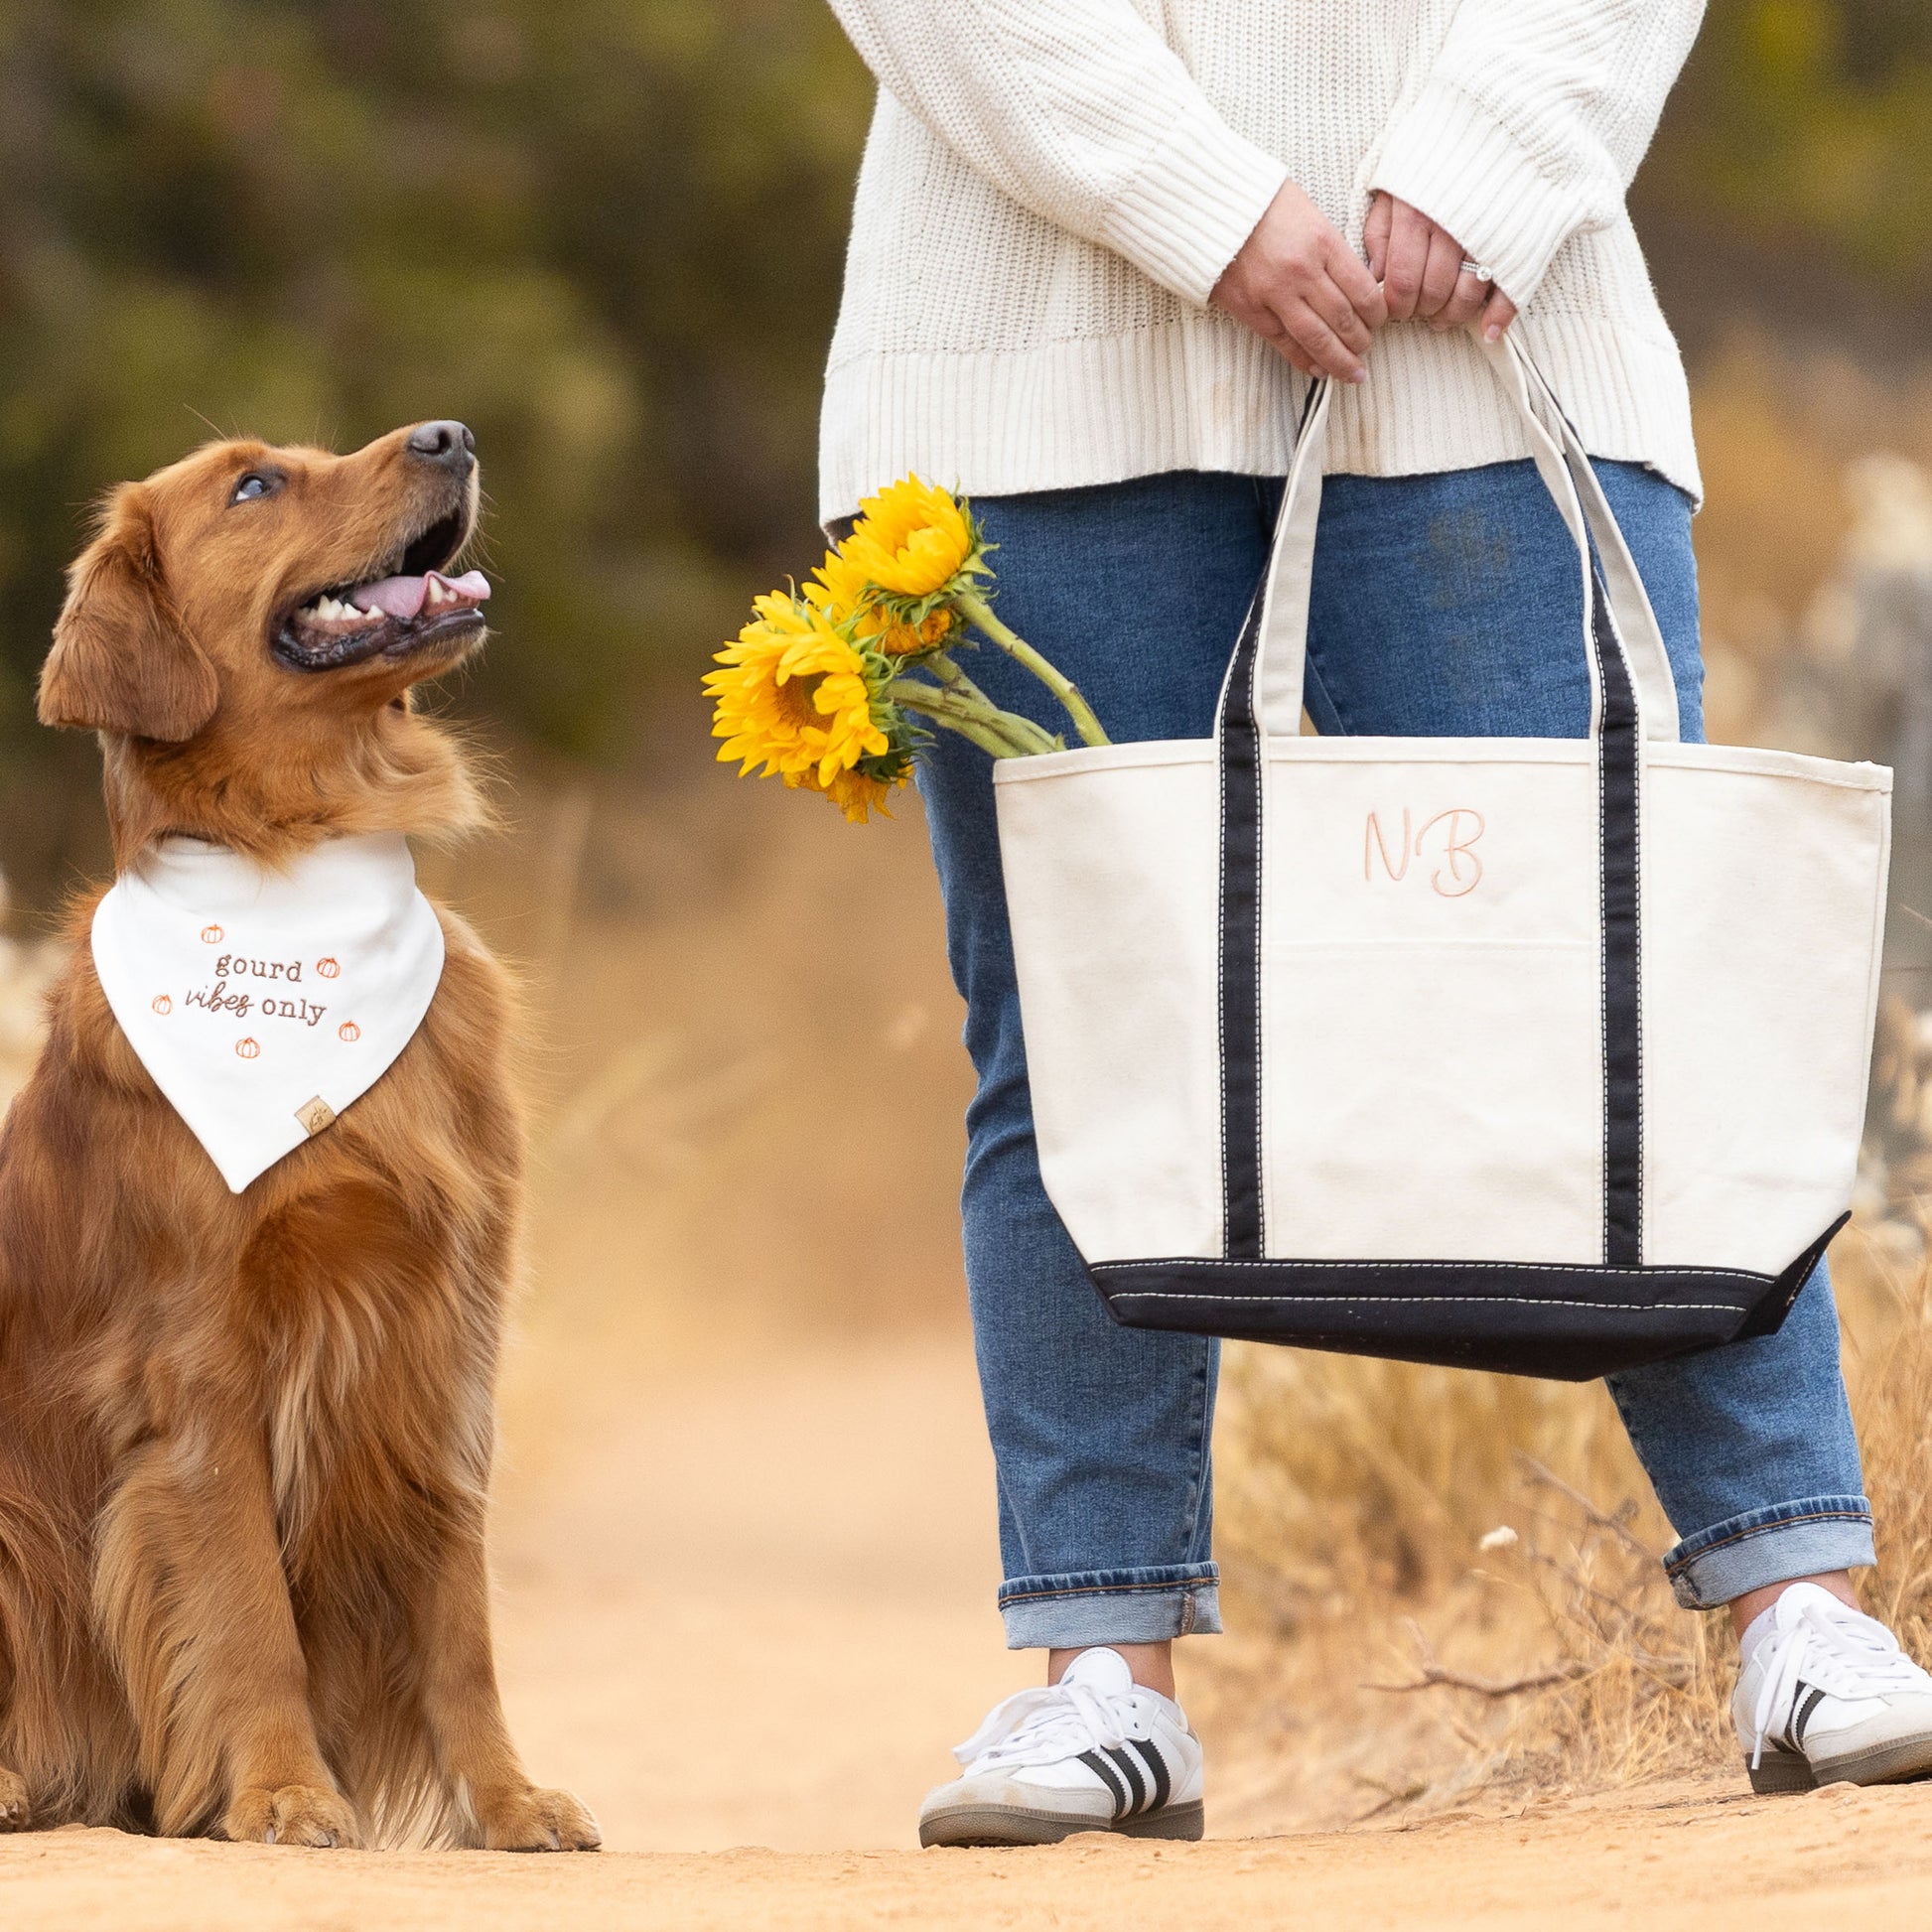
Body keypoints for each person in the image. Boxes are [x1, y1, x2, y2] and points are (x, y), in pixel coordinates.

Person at [818, 0, 1932, 1847]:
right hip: (1029, 362)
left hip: (1490, 332)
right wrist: (1204, 203)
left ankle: (1798, 1606)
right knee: (1078, 1025)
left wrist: (1485, 154)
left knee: (1625, 976)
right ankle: (1104, 1677)